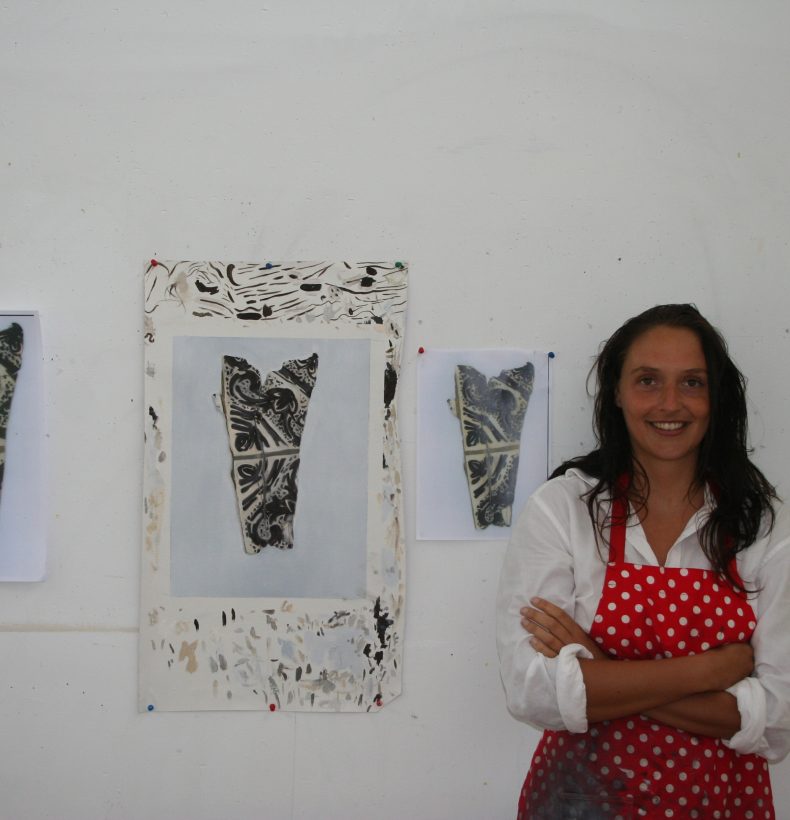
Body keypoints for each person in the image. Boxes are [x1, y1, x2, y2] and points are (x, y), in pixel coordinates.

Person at [496, 304, 790, 819]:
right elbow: (533, 691)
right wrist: (712, 671)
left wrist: (598, 668)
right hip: (580, 803)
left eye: (693, 382)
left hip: (719, 805)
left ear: (716, 396)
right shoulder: (562, 509)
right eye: (648, 380)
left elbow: (779, 716)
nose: (670, 403)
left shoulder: (762, 526)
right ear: (616, 392)